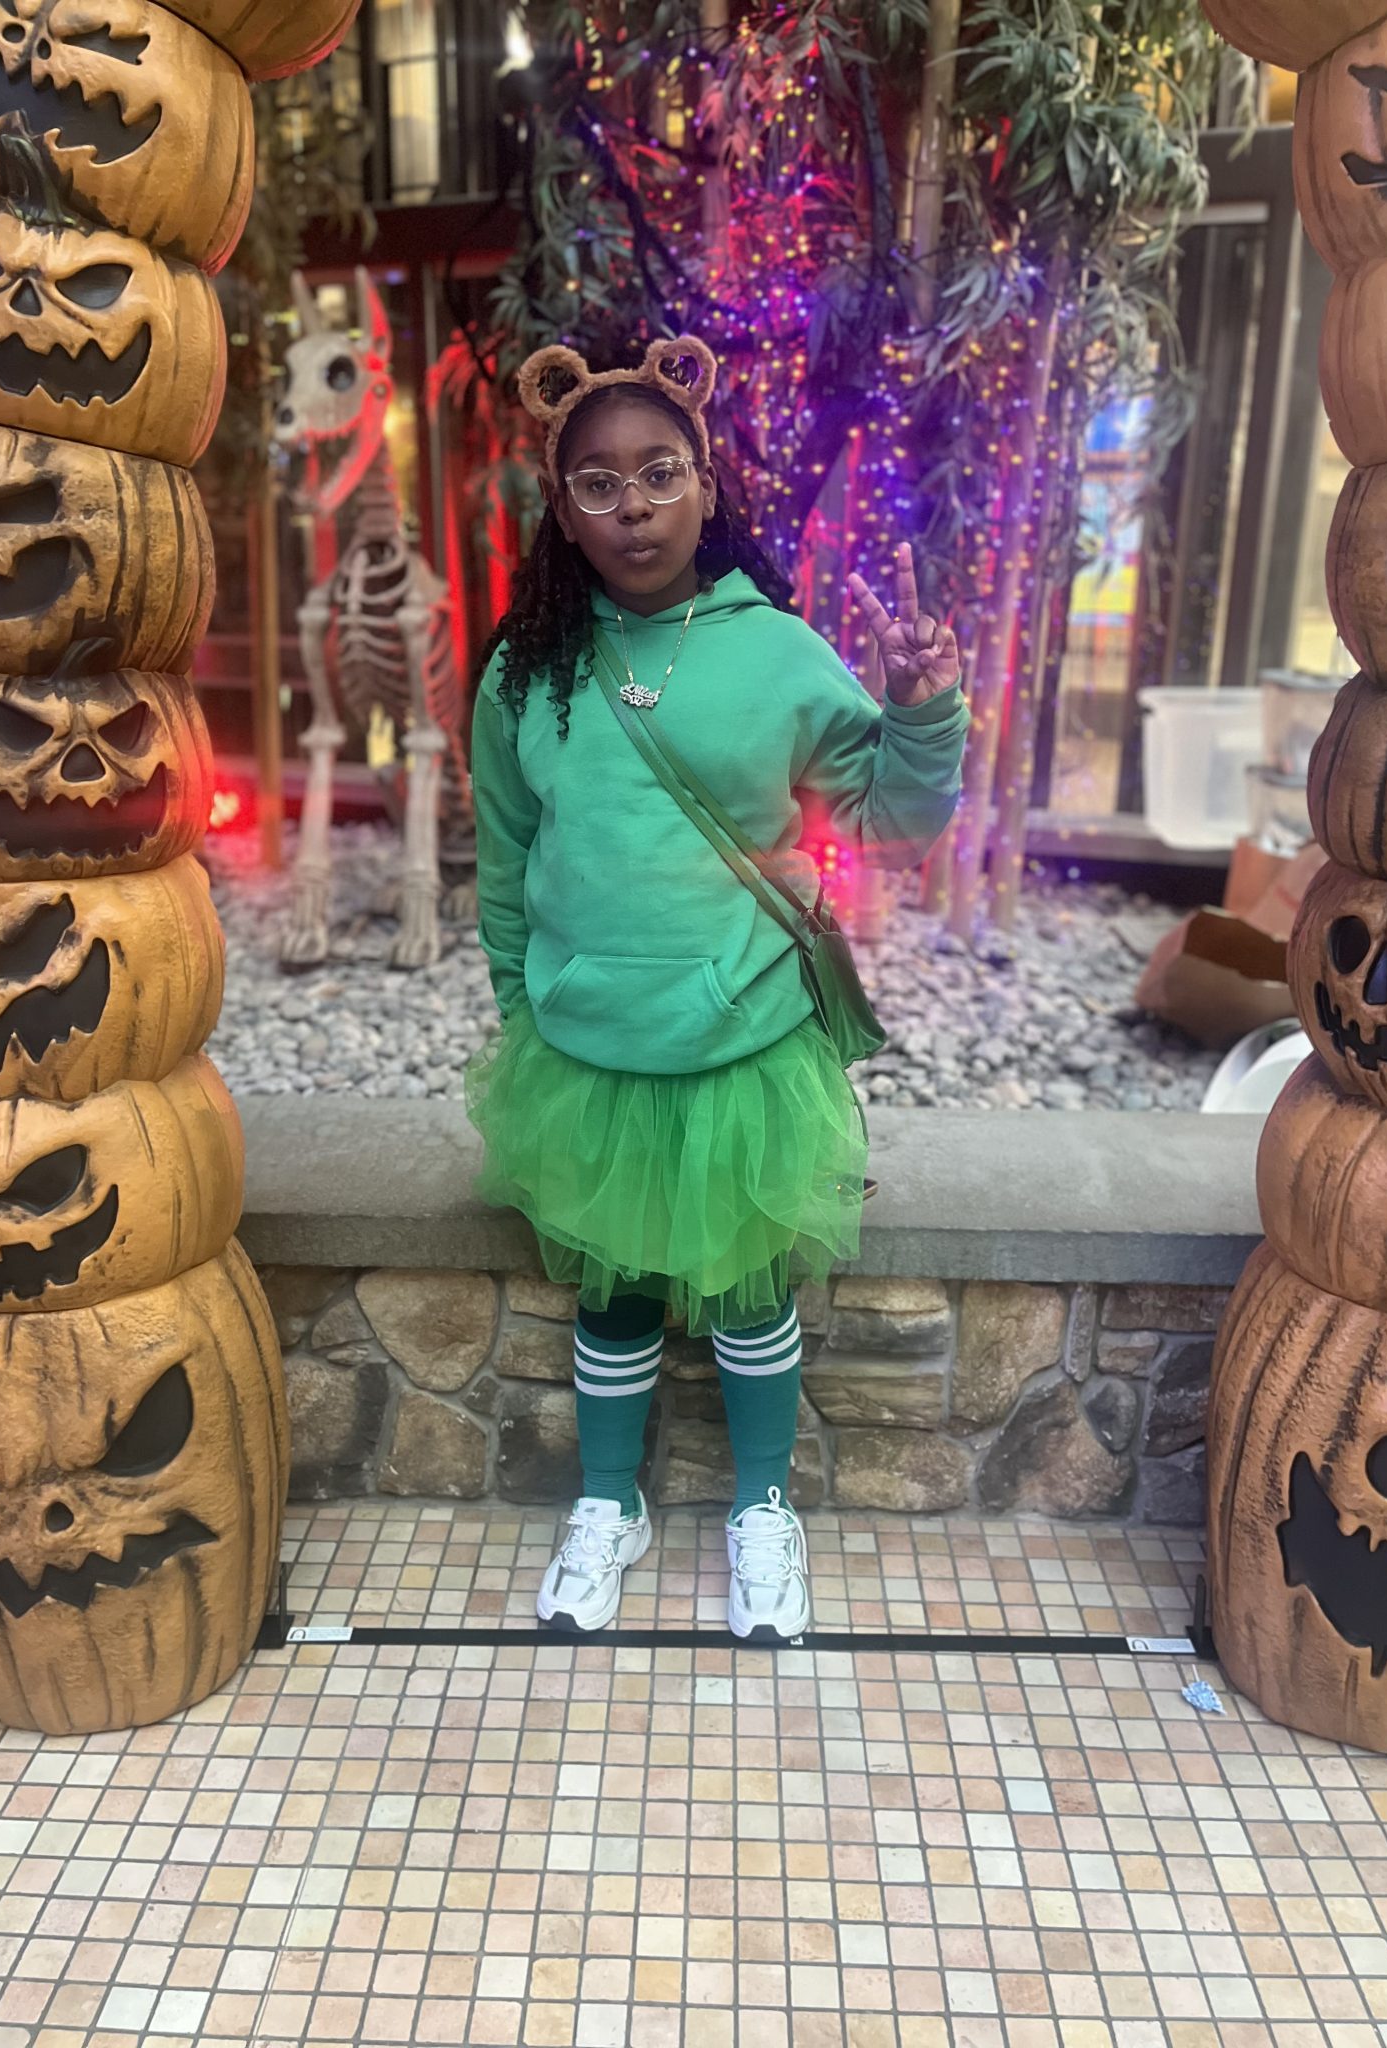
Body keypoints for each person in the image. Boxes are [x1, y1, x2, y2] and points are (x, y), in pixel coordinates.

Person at [466, 335, 968, 1641]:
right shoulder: (526, 672)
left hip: (743, 1042)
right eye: (598, 484)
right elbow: (507, 861)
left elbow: (893, 821)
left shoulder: (781, 654)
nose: (633, 506)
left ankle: (761, 1508)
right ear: (562, 509)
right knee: (616, 1294)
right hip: (589, 1049)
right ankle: (607, 1504)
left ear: (706, 487)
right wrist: (526, 1011)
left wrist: (923, 712)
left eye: (660, 474)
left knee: (750, 1295)